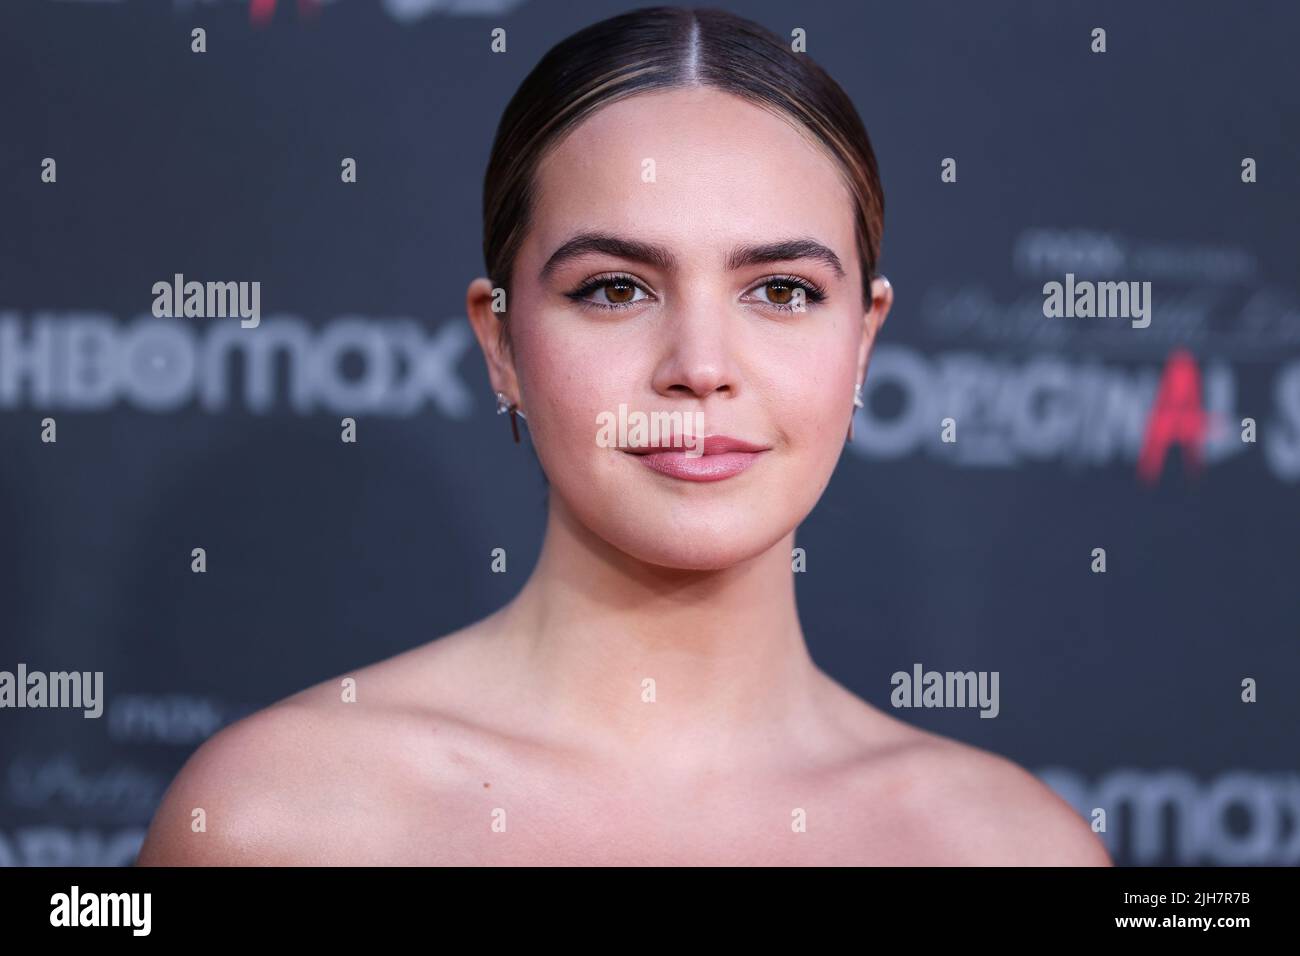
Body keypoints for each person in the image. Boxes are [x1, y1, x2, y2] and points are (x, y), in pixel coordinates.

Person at [137, 6, 1111, 866]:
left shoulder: (1009, 847)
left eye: (781, 290)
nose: (698, 363)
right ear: (502, 341)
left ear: (863, 340)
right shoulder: (281, 821)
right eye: (615, 288)